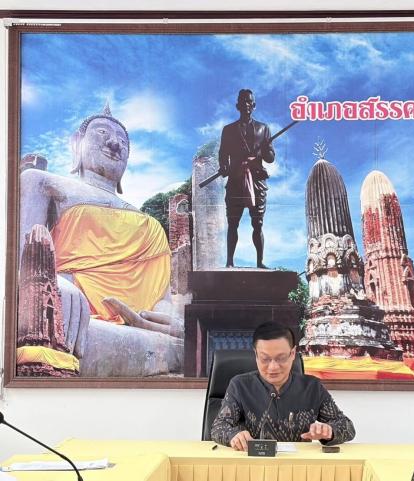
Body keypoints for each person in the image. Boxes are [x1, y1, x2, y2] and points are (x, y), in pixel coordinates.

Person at [20, 104, 183, 355]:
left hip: (140, 330)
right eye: (102, 132)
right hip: (69, 306)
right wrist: (52, 284)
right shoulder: (41, 182)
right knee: (53, 328)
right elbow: (21, 263)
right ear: (77, 143)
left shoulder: (151, 224)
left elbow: (162, 299)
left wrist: (173, 319)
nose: (115, 144)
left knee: (180, 347)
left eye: (123, 142)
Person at [210, 321, 355, 450]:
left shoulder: (312, 387)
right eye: (265, 359)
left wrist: (329, 431)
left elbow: (347, 426)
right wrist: (233, 435)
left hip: (296, 466)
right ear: (256, 355)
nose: (273, 367)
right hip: (253, 463)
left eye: (281, 358)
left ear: (293, 353)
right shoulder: (240, 386)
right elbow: (218, 427)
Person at [218, 89, 275, 268]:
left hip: (257, 180)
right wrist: (224, 166)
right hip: (235, 180)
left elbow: (271, 157)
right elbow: (223, 154)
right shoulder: (228, 130)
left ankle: (260, 261)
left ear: (254, 105)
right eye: (243, 101)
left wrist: (265, 150)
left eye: (249, 101)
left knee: (257, 223)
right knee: (233, 222)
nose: (246, 104)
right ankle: (229, 261)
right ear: (237, 105)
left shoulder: (263, 129)